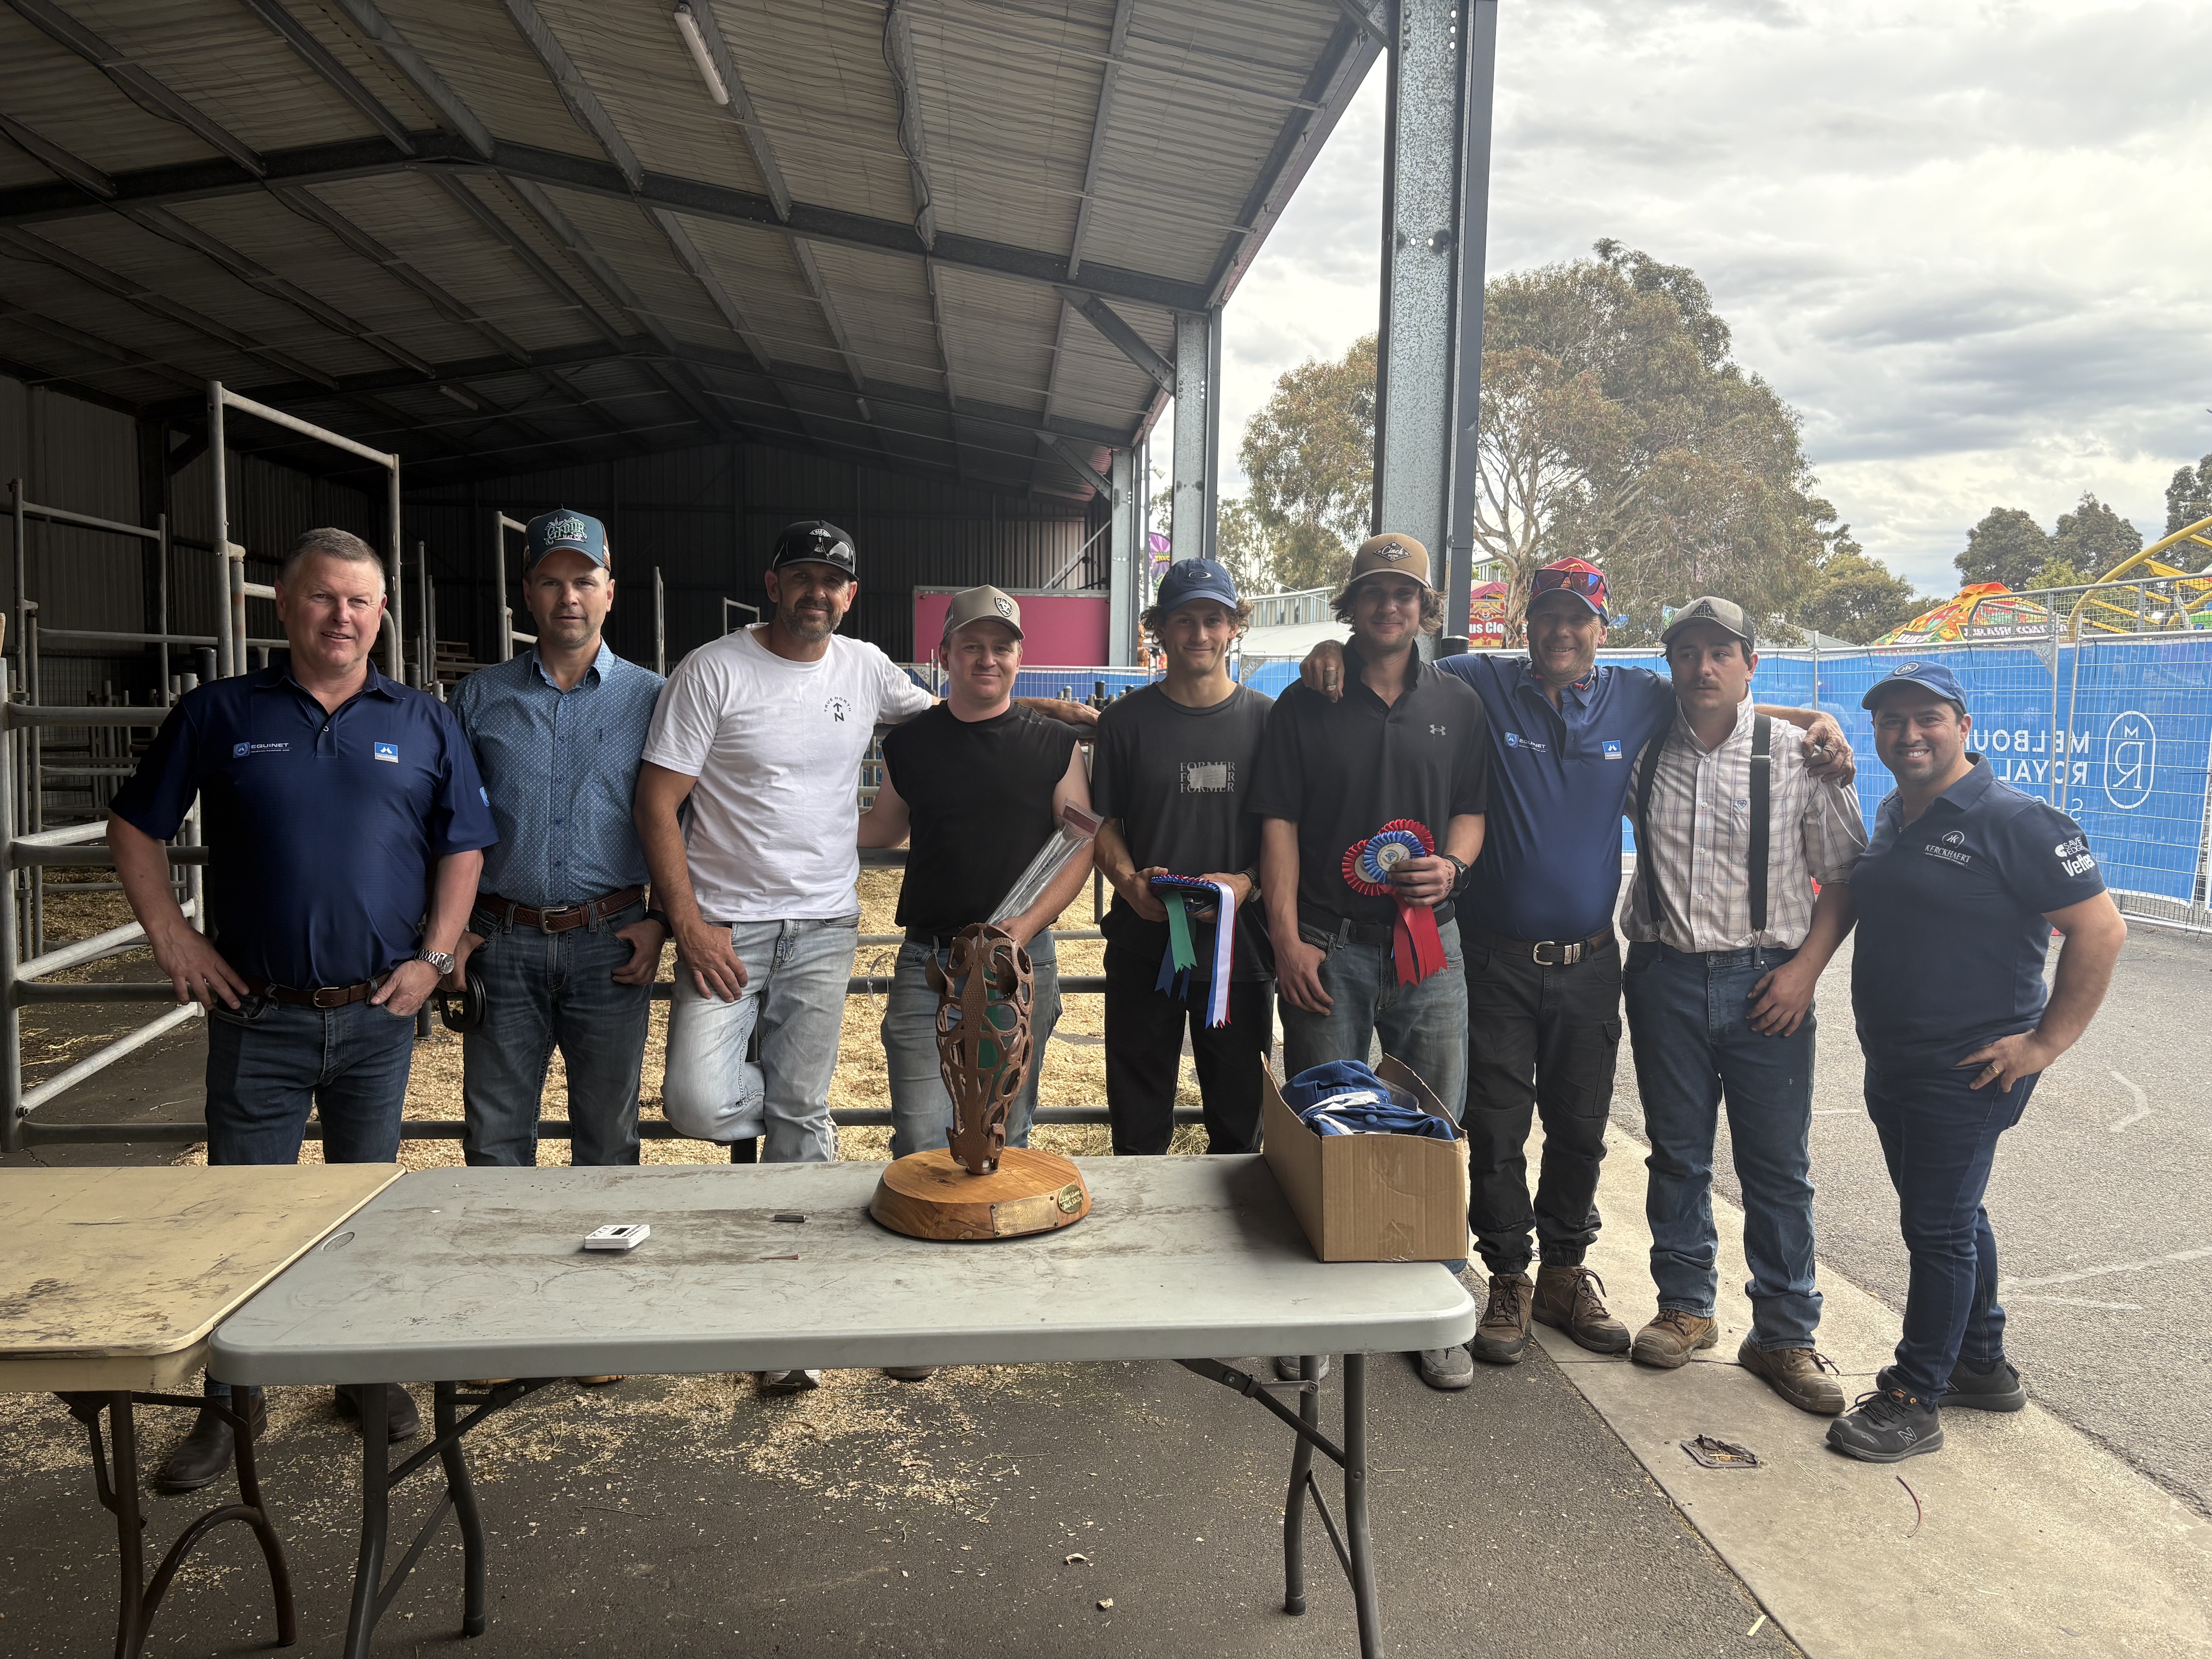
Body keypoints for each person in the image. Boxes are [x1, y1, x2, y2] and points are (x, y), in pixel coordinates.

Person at [1299, 559, 1852, 1368]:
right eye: (1548, 617)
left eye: (1579, 619)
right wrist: (1332, 648)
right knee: (1495, 1126)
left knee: (1582, 1129)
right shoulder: (1478, 680)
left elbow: (1721, 703)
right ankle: (1510, 1278)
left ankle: (1564, 1273)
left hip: (1593, 964)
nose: (1562, 632)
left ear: (1602, 627)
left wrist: (1817, 719)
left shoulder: (1640, 698)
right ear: (1528, 625)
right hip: (1494, 961)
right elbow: (1394, 658)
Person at [635, 529, 1091, 1395]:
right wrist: (684, 919)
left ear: (852, 595)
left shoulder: (877, 674)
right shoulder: (715, 671)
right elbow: (670, 800)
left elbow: (1013, 760)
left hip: (871, 934)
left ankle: (828, 1322)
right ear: (774, 584)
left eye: (833, 581)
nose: (818, 592)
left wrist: (1066, 715)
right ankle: (807, 1140)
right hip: (756, 927)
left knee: (997, 1125)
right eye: (803, 577)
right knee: (708, 1100)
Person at [108, 526, 495, 1487]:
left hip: (377, 1011)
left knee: (359, 1205)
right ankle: (228, 1405)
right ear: (283, 607)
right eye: (323, 598)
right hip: (258, 1011)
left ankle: (358, 1376)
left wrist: (436, 956)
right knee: (243, 1213)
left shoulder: (424, 718)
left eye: (361, 601)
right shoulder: (220, 711)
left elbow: (464, 847)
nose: (342, 616)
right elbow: (135, 825)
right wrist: (172, 936)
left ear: (381, 614)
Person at [1826, 661, 2124, 1463]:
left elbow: (2101, 931)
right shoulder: (1894, 811)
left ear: (1964, 726)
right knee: (1953, 1217)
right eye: (1893, 722)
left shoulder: (2018, 820)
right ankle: (1983, 1364)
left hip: (1971, 1070)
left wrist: (2044, 1045)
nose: (1909, 734)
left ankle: (1916, 1394)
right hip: (1896, 1061)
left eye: (1927, 718)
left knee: (1938, 1228)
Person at [1248, 533, 1488, 1393]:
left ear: (1426, 608)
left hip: (1431, 946)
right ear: (1349, 607)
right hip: (1328, 945)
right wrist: (1284, 939)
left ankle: (1430, 1307)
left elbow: (1471, 811)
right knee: (1325, 1128)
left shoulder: (1460, 703)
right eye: (1375, 593)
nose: (1391, 606)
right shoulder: (1300, 705)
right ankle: (1317, 1318)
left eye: (1406, 593)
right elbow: (1275, 826)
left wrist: (1453, 866)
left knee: (1437, 1128)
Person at [1615, 598, 1866, 1415]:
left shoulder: (1801, 755)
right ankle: (1686, 1308)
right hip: (1665, 976)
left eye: (1722, 652)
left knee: (1777, 1168)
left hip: (1769, 981)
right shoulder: (1642, 751)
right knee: (1678, 1153)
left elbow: (1845, 875)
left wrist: (1806, 972)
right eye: (1687, 653)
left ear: (1752, 665)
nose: (1704, 667)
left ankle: (1785, 1334)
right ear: (1672, 667)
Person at [449, 508, 666, 1172]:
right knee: (493, 1136)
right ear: (527, 592)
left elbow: (688, 825)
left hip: (613, 941)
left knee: (607, 1138)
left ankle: (601, 1275)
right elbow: (448, 826)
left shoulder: (656, 699)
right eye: (550, 581)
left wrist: (661, 922)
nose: (567, 597)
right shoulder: (481, 697)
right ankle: (503, 1273)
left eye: (583, 580)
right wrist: (447, 931)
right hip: (500, 941)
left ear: (609, 590)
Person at [860, 585, 1092, 1169]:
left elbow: (1079, 847)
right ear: (943, 656)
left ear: (1019, 657)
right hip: (932, 966)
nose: (987, 659)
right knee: (921, 1139)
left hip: (1019, 963)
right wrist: (789, 825)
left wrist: (1027, 925)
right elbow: (884, 828)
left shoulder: (1056, 746)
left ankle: (995, 1257)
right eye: (972, 646)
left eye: (1001, 647)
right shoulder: (911, 745)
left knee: (1004, 1137)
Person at [1091, 558, 1273, 1157]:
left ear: (1234, 628)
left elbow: (1286, 835)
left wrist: (1248, 883)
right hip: (1145, 946)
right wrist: (1127, 882)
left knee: (1241, 1119)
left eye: (1213, 620)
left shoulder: (1269, 722)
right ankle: (1142, 1244)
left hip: (1239, 952)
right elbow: (1106, 827)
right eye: (1185, 620)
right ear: (1160, 630)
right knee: (1139, 1118)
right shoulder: (1123, 724)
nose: (1199, 634)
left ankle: (1234, 1246)